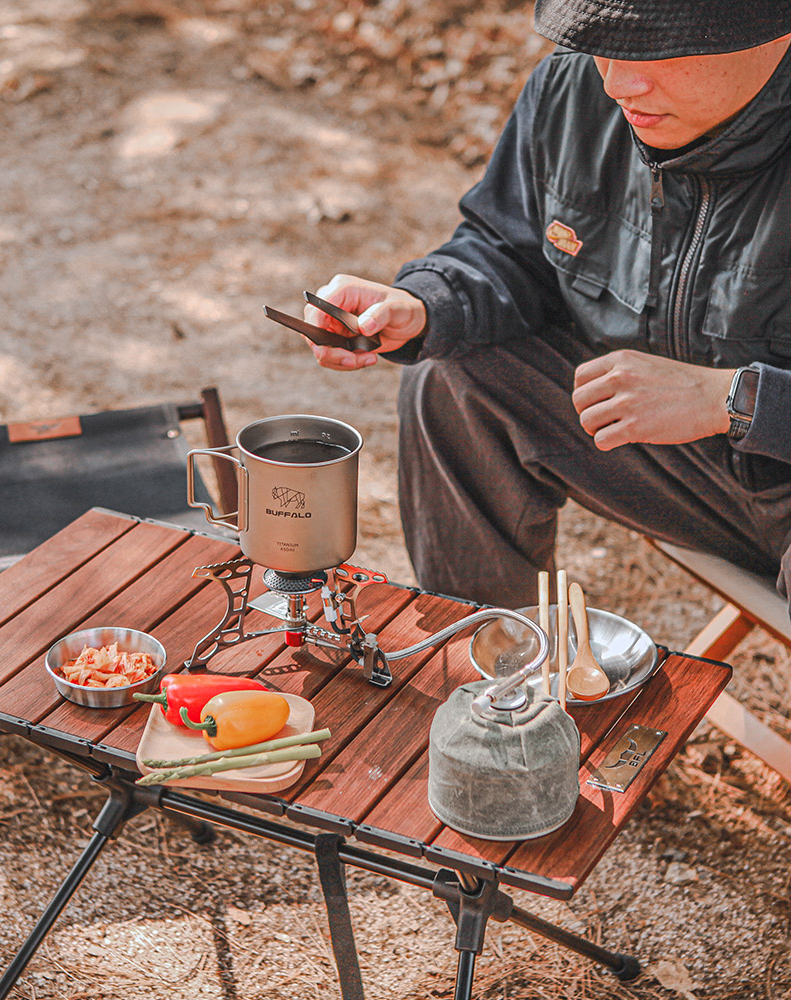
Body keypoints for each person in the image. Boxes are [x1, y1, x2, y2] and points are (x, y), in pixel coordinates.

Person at [304, 0, 791, 614]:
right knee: (449, 377)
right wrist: (422, 303)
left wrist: (734, 401)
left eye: (655, 48)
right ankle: (500, 680)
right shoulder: (572, 92)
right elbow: (511, 249)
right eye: (604, 43)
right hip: (678, 468)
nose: (618, 83)